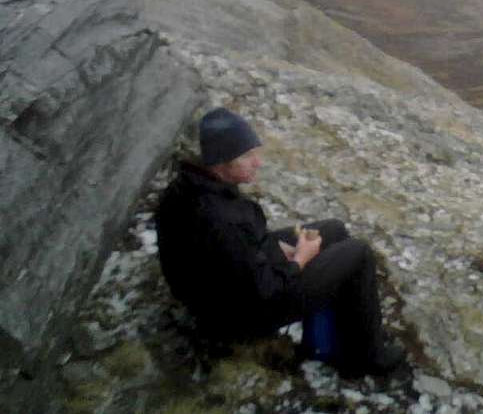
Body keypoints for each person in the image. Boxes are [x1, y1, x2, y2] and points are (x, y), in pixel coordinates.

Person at [155, 107, 405, 377]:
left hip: (222, 289)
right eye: (246, 156)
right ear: (220, 163)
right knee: (359, 255)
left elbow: (232, 255)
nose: (258, 162)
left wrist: (269, 248)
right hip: (240, 314)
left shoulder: (192, 188)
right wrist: (299, 260)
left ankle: (330, 335)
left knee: (333, 230)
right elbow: (265, 289)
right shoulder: (221, 219)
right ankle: (367, 358)